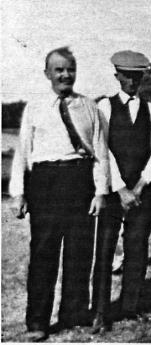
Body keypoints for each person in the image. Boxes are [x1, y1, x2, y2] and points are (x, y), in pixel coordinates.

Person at [9, 47, 109, 342]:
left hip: (80, 181)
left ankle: (73, 312)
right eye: (59, 70)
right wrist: (19, 192)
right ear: (47, 74)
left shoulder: (90, 106)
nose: (66, 75)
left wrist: (100, 192)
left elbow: (100, 151)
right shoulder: (36, 107)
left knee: (79, 253)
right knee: (43, 254)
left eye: (70, 69)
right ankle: (38, 320)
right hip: (45, 182)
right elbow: (23, 151)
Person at [90, 50, 151, 333]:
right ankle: (100, 312)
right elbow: (102, 150)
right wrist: (121, 188)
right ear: (117, 76)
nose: (132, 82)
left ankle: (130, 307)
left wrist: (140, 186)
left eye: (137, 76)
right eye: (126, 76)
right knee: (106, 249)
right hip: (112, 189)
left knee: (137, 248)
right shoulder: (104, 108)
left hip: (142, 190)